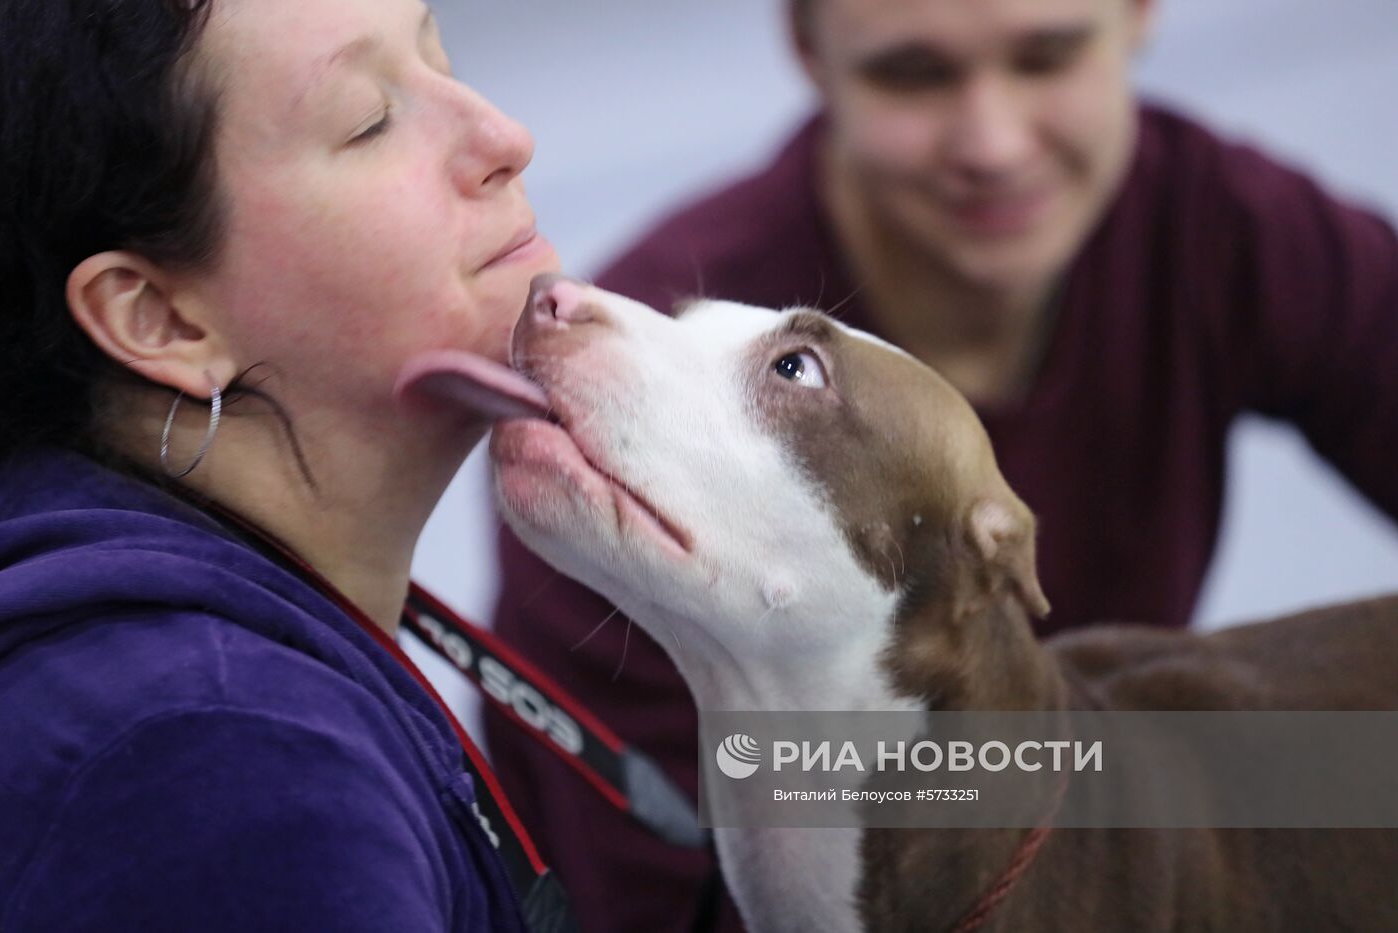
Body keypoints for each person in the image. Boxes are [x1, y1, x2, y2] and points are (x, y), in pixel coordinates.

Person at [486, 0, 1398, 930]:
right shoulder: (635, 398)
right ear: (807, 46)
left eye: (1048, 56)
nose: (993, 143)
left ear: (1137, 15)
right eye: (914, 74)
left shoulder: (1230, 227)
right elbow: (634, 891)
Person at [0, 0, 568, 929]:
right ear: (162, 321)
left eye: (438, 53)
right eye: (368, 121)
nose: (506, 136)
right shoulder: (212, 758)